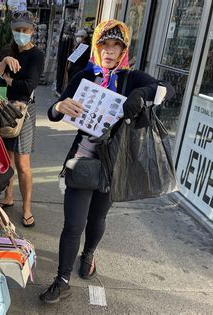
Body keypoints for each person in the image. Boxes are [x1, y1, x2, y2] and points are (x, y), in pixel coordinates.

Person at [39, 20, 175, 304]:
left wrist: (141, 93)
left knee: (98, 217)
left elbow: (166, 89)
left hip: (114, 162)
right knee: (73, 224)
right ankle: (62, 280)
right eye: (104, 45)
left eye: (116, 46)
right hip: (82, 159)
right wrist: (57, 106)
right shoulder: (83, 77)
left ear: (124, 49)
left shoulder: (130, 78)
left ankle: (88, 255)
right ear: (96, 48)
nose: (110, 52)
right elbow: (54, 113)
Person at [0, 11, 45, 228]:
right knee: (7, 159)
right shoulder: (8, 51)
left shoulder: (37, 55)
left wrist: (7, 78)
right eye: (17, 30)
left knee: (23, 164)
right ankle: (8, 196)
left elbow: (28, 86)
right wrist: (5, 60)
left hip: (24, 110)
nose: (21, 34)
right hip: (5, 108)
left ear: (32, 31)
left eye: (25, 30)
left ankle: (26, 208)